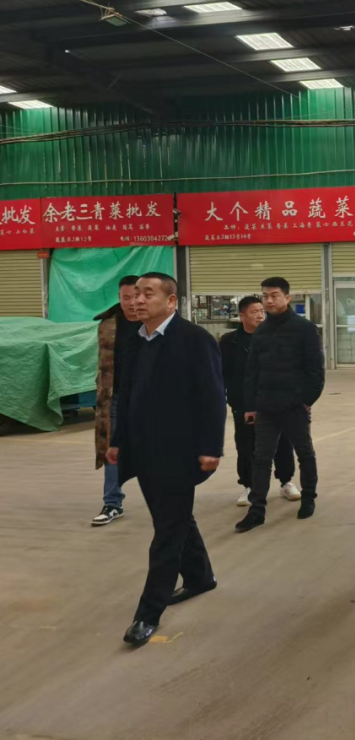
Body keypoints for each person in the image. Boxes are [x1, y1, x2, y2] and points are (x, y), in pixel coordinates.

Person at [105, 272, 225, 648]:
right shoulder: (134, 340)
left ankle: (148, 613)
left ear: (171, 301)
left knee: (167, 533)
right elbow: (127, 395)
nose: (137, 300)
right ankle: (200, 576)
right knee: (172, 518)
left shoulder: (195, 339)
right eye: (134, 294)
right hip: (144, 451)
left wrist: (212, 447)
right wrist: (118, 441)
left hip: (179, 452)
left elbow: (212, 396)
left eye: (147, 294)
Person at [235, 277, 325, 532]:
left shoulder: (304, 329)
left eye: (274, 295)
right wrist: (251, 405)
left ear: (287, 297)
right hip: (266, 407)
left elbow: (316, 370)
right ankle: (257, 510)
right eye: (265, 296)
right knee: (261, 458)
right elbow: (252, 371)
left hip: (295, 407)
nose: (269, 300)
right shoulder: (261, 331)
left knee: (304, 453)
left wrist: (306, 401)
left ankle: (308, 499)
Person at [219, 296, 298, 507]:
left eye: (262, 311)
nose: (260, 316)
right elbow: (221, 373)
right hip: (243, 404)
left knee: (282, 443)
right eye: (254, 312)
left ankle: (286, 482)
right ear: (242, 316)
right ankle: (249, 486)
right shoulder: (229, 342)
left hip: (277, 402)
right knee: (247, 446)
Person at [91, 275, 142, 526]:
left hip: (149, 397)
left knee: (158, 448)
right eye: (125, 297)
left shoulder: (154, 322)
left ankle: (169, 499)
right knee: (112, 449)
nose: (131, 303)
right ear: (119, 298)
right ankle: (112, 502)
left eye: (136, 296)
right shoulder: (108, 325)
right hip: (116, 397)